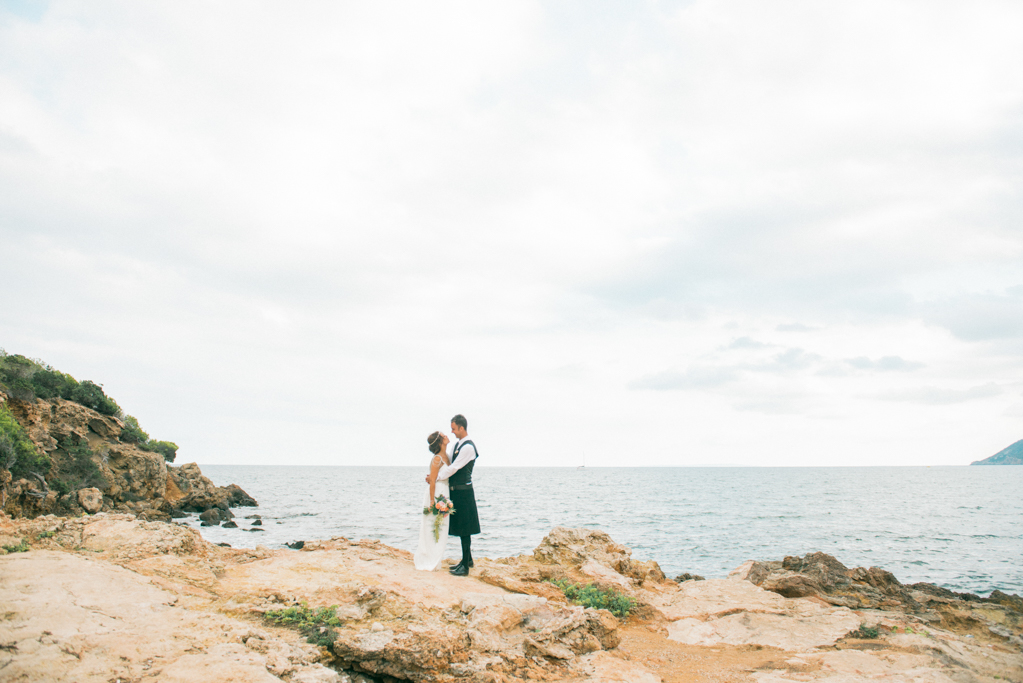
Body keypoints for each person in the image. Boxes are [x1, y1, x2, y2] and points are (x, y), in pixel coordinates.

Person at [435, 414, 480, 576]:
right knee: (462, 527)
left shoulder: (468, 447)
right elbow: (448, 462)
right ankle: (467, 560)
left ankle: (466, 567)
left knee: (465, 529)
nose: (452, 431)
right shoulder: (457, 445)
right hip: (458, 492)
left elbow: (454, 468)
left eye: (454, 428)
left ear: (462, 427)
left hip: (464, 492)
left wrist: (436, 477)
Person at [414, 431, 450, 571]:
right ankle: (429, 558)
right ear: (440, 441)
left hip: (445, 492)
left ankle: (436, 557)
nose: (447, 436)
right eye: (443, 436)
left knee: (442, 527)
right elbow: (433, 482)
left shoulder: (446, 456)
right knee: (432, 526)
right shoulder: (437, 459)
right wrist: (431, 502)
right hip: (436, 494)